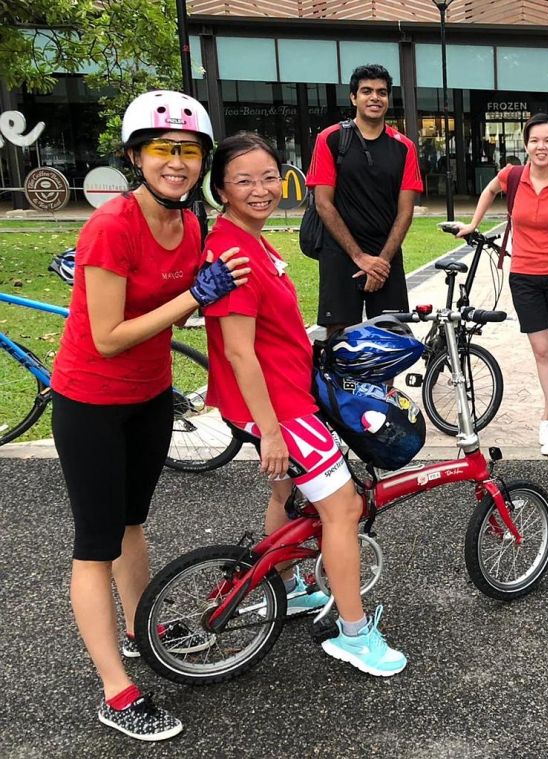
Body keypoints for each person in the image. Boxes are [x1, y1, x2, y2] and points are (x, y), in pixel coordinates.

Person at [51, 90, 250, 741]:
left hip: (147, 396)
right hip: (90, 402)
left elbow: (177, 310)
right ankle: (116, 688)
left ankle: (138, 628)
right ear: (137, 156)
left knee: (134, 522)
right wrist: (195, 293)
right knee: (96, 541)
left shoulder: (189, 225)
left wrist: (209, 292)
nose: (177, 162)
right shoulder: (111, 226)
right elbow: (108, 334)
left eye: (188, 151)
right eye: (163, 149)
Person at [204, 131, 408, 678]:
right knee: (344, 509)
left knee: (286, 491)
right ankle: (355, 634)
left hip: (284, 396)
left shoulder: (254, 241)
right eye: (243, 180)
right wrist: (271, 431)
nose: (260, 189)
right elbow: (239, 351)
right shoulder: (235, 253)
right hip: (277, 407)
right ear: (220, 189)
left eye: (269, 177)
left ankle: (291, 588)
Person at [454, 113, 548, 455]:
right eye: (534, 141)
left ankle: (547, 414)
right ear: (526, 144)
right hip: (524, 275)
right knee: (542, 350)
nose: (541, 147)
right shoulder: (512, 176)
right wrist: (473, 223)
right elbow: (488, 190)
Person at [307, 64, 424, 332]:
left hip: (386, 254)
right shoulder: (331, 139)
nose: (374, 98)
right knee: (340, 336)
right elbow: (323, 203)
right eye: (366, 91)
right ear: (353, 97)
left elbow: (405, 211)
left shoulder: (404, 147)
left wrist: (380, 264)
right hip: (340, 253)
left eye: (381, 92)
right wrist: (359, 257)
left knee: (390, 337)